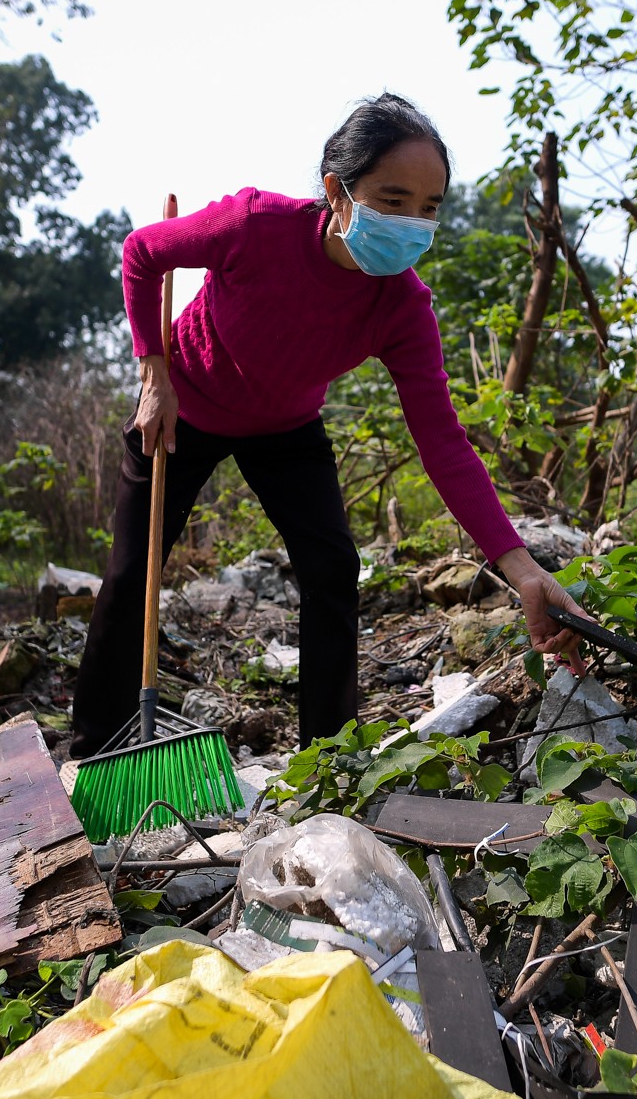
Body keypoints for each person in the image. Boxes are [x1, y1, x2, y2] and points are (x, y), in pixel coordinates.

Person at [69, 93, 584, 758]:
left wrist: (524, 570)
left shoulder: (401, 306)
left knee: (334, 570)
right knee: (132, 573)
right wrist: (153, 376)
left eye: (429, 208)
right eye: (393, 200)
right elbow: (143, 255)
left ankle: (328, 761)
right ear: (337, 190)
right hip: (185, 406)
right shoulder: (254, 226)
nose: (411, 224)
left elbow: (444, 444)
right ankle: (92, 751)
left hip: (285, 429)